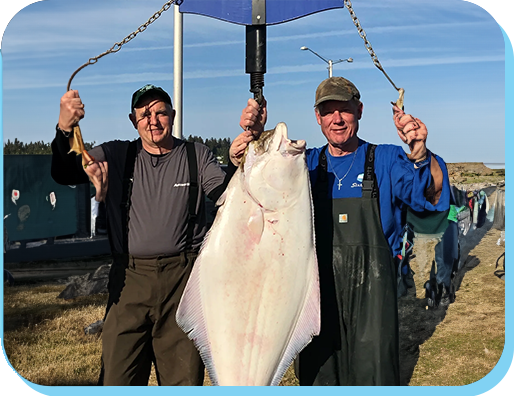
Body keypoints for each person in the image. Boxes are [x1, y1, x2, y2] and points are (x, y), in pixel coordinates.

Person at [235, 76, 451, 386]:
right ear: (318, 117)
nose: (337, 119)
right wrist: (253, 134)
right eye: (328, 111)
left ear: (359, 110)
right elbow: (256, 185)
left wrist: (419, 151)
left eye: (345, 110)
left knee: (373, 377)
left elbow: (432, 194)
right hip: (314, 301)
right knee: (319, 379)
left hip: (373, 303)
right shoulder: (304, 166)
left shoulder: (386, 160)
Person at [51, 84, 238, 386]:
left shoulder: (196, 155)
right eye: (144, 114)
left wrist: (235, 160)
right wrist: (64, 129)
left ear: (173, 116)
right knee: (118, 379)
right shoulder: (115, 154)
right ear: (133, 120)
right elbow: (65, 172)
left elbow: (229, 198)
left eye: (160, 112)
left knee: (184, 380)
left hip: (183, 285)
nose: (153, 120)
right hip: (129, 283)